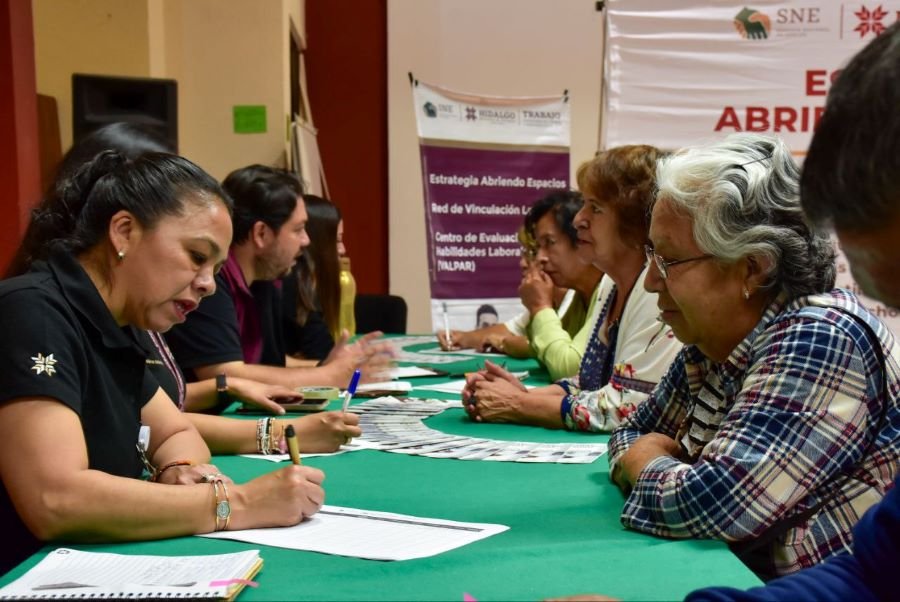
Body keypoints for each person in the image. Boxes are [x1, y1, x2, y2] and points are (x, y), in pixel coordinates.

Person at [0, 150, 325, 575]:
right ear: (124, 232)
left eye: (216, 267)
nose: (208, 284)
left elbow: (176, 429)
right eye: (196, 256)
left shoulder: (123, 317)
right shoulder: (33, 312)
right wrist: (235, 503)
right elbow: (56, 500)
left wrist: (180, 469)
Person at [606, 133, 900, 580]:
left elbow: (711, 506)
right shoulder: (711, 346)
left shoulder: (820, 337)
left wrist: (643, 461)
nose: (650, 281)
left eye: (668, 260)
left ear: (752, 267)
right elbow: (631, 432)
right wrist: (650, 457)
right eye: (651, 253)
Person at [463, 145, 682, 431]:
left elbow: (625, 406)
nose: (579, 219)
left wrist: (518, 404)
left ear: (634, 221)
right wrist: (520, 394)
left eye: (596, 208)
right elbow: (592, 382)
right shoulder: (611, 283)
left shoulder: (656, 288)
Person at [164, 165, 393, 408]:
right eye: (298, 229)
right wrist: (330, 376)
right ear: (261, 233)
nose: (306, 240)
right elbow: (223, 374)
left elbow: (268, 364)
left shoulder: (269, 278)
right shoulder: (211, 281)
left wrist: (327, 367)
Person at [439, 190, 604, 380]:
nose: (540, 258)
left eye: (549, 243)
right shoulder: (580, 295)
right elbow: (543, 353)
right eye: (538, 247)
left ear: (581, 240)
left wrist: (540, 307)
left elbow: (567, 369)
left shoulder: (607, 290)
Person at [281, 194, 344, 362]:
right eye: (336, 241)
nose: (342, 249)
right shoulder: (289, 282)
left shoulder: (306, 283)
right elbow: (324, 356)